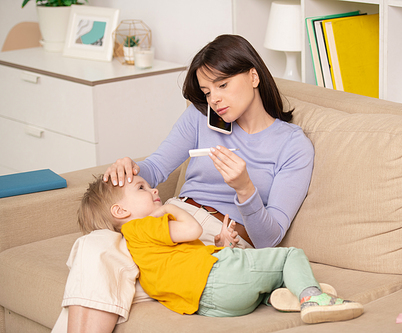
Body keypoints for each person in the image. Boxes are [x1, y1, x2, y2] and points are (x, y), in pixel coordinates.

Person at [59, 175, 363, 332]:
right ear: (121, 210)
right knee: (289, 255)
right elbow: (191, 233)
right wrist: (169, 207)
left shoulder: (140, 242)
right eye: (142, 187)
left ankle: (280, 295)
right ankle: (311, 296)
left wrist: (219, 241)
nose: (154, 190)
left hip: (208, 303)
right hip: (217, 277)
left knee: (248, 277)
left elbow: (186, 258)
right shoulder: (150, 225)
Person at [103, 34, 314, 249]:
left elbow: (269, 239)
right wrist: (131, 169)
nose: (213, 100)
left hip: (223, 238)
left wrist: (245, 189)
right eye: (207, 92)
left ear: (253, 77)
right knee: (98, 248)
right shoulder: (200, 116)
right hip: (173, 220)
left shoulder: (293, 145)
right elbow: (156, 168)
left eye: (222, 85)